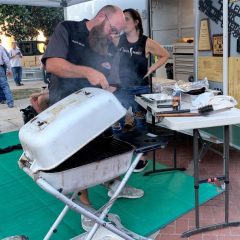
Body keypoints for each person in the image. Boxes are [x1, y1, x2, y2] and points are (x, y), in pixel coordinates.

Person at [41, 5, 144, 228]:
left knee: (104, 146)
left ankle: (113, 183)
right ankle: (85, 206)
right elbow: (52, 64)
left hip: (95, 109)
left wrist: (113, 88)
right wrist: (87, 71)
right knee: (79, 157)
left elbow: (111, 75)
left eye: (117, 32)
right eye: (112, 29)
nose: (113, 35)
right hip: (68, 108)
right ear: (100, 17)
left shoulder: (105, 43)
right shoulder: (67, 29)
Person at [113, 8, 169, 172]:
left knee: (139, 122)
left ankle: (142, 157)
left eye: (127, 19)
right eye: (122, 20)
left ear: (136, 22)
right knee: (117, 122)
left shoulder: (145, 42)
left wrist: (151, 69)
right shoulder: (118, 40)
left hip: (140, 88)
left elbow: (165, 55)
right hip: (122, 88)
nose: (124, 23)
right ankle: (119, 155)